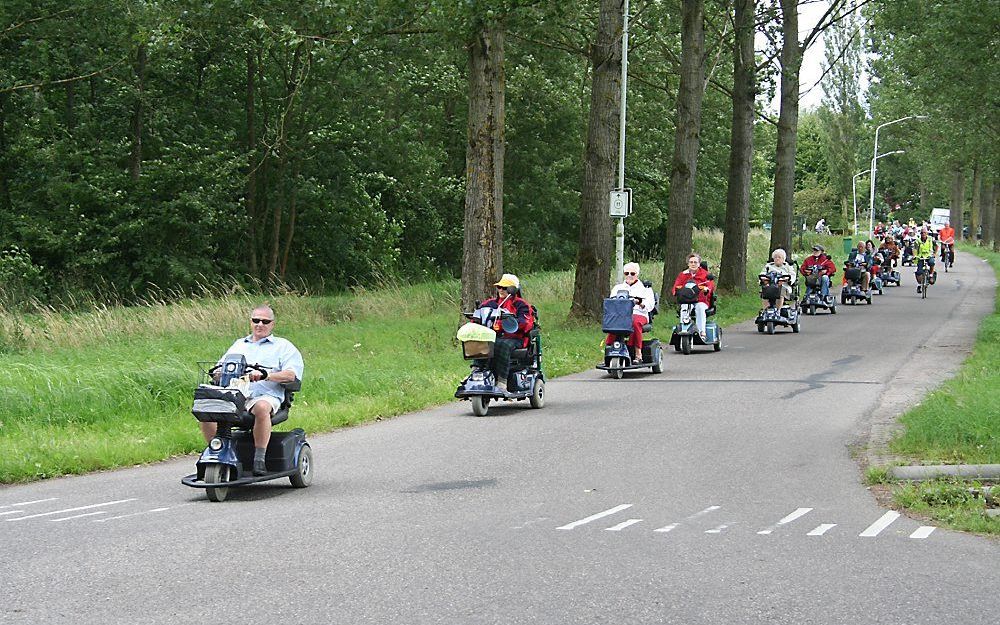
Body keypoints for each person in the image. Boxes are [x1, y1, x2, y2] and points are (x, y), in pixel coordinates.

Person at [203, 304, 304, 475]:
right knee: (205, 408)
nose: (260, 325)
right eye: (256, 320)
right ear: (251, 322)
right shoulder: (239, 344)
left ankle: (259, 459)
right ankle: (218, 452)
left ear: (272, 324)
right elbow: (221, 367)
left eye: (265, 321)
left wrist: (266, 375)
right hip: (236, 394)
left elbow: (291, 375)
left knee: (262, 407)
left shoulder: (283, 346)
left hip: (265, 395)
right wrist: (218, 373)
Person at [477, 273, 535, 392]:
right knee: (479, 343)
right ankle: (477, 373)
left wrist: (506, 323)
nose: (501, 290)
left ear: (513, 290)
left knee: (502, 344)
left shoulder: (521, 305)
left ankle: (502, 381)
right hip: (493, 337)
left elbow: (525, 323)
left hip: (516, 338)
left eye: (505, 288)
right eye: (499, 287)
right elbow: (478, 315)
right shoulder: (490, 304)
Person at [606, 262, 656, 362]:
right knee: (612, 324)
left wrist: (640, 302)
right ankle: (609, 349)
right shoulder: (618, 288)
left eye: (632, 273)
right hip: (621, 315)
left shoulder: (645, 289)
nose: (629, 276)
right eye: (627, 273)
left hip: (639, 313)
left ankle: (638, 352)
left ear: (637, 274)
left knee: (634, 322)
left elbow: (650, 305)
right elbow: (611, 302)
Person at [672, 253, 714, 341]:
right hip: (687, 300)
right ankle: (683, 329)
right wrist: (676, 291)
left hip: (701, 300)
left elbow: (710, 285)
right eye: (691, 262)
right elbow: (676, 286)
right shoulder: (683, 275)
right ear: (688, 264)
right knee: (684, 307)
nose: (693, 264)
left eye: (695, 262)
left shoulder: (705, 274)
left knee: (700, 308)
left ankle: (701, 332)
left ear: (699, 264)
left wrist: (707, 289)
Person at [915, 229, 939, 293]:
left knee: (931, 262)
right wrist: (914, 255)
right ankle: (919, 285)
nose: (923, 234)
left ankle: (931, 275)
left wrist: (934, 253)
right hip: (920, 257)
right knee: (919, 272)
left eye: (924, 233)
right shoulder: (918, 240)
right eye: (922, 233)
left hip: (929, 255)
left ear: (927, 233)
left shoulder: (930, 239)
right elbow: (914, 249)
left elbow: (936, 246)